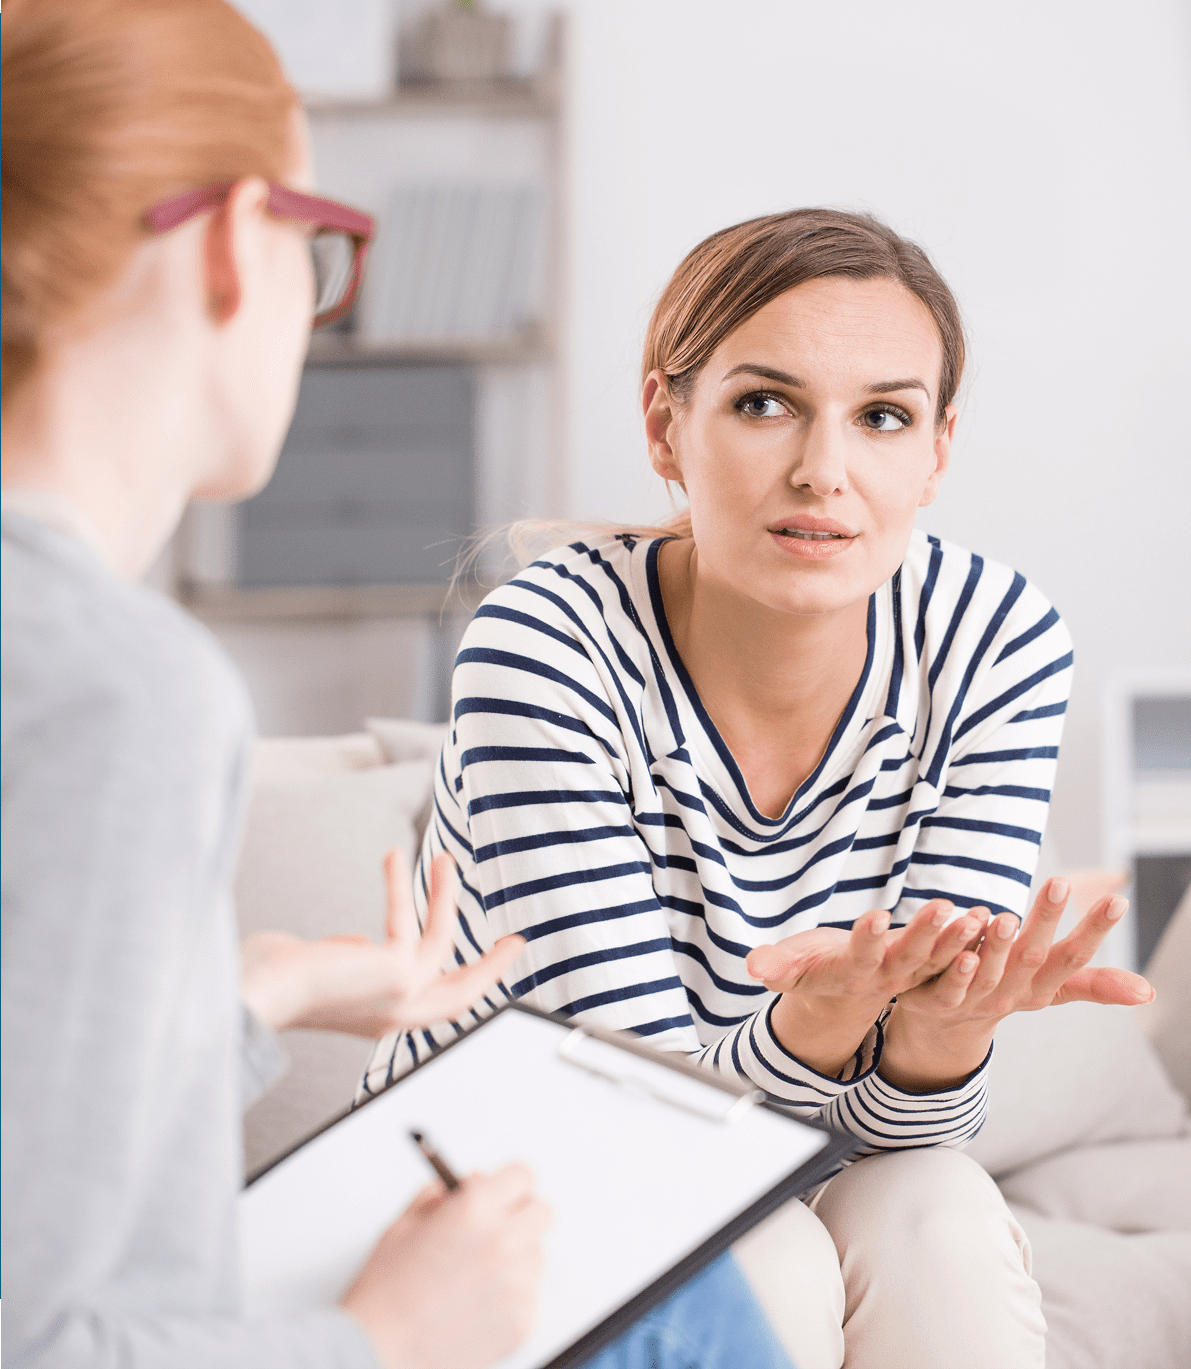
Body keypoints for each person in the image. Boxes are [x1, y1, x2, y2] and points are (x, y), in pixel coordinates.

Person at [0, 0, 792, 1369]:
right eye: (320, 248)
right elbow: (27, 1339)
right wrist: (389, 1340)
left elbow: (17, 1174)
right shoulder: (119, 689)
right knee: (669, 1302)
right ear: (240, 241)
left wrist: (261, 994)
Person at [360, 209, 1157, 1369]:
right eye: (763, 403)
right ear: (665, 424)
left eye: (881, 417)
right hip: (503, 1176)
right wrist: (822, 1025)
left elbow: (912, 1132)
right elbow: (637, 1127)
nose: (821, 472)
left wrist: (936, 1038)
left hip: (783, 1154)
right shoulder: (545, 644)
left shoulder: (993, 639)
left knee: (936, 1209)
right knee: (767, 1254)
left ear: (935, 452)